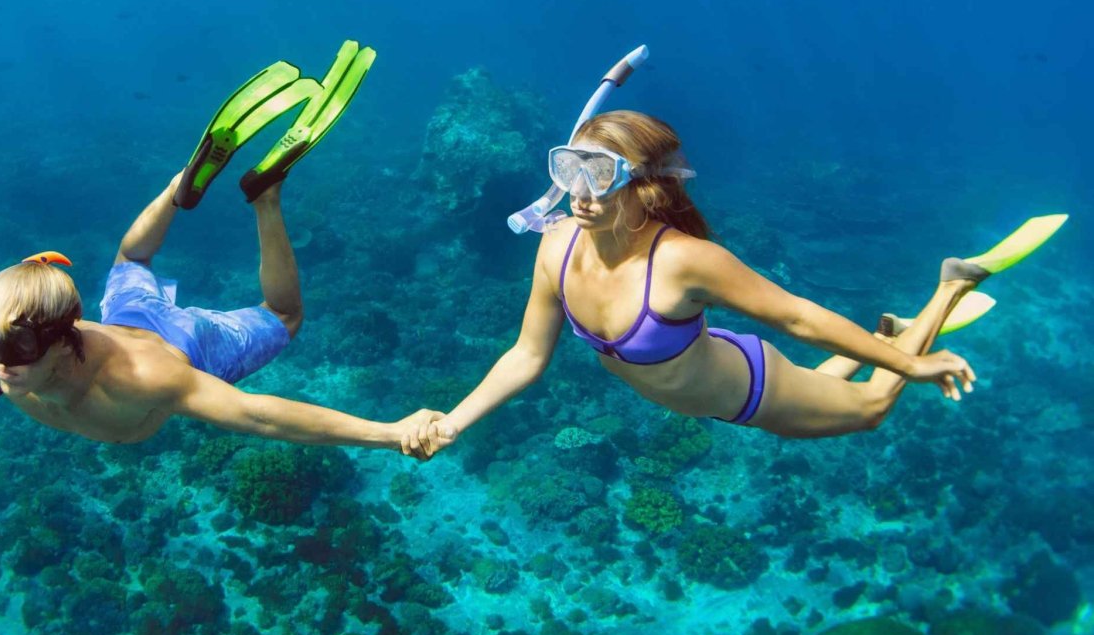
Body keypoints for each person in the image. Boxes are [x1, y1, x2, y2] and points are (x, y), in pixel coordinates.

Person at [0, 43, 439, 453]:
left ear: (62, 334)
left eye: (17, 343)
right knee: (130, 262)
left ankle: (267, 198)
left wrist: (389, 432)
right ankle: (182, 182)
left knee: (285, 316)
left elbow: (263, 416)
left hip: (180, 342)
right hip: (127, 318)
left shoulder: (145, 381)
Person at [402, 109, 1064, 457]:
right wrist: (455, 422)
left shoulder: (685, 260)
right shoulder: (554, 247)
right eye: (570, 167)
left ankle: (946, 289)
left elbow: (798, 318)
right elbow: (525, 355)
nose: (578, 191)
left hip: (748, 390)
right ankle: (889, 334)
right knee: (831, 387)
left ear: (646, 185)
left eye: (599, 174)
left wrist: (908, 368)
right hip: (715, 382)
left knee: (869, 410)